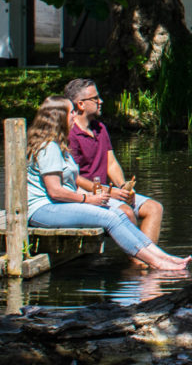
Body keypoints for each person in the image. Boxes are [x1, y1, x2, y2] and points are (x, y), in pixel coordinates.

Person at [24, 98, 188, 273]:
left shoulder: (60, 146)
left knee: (117, 213)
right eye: (71, 112)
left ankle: (162, 256)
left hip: (57, 205)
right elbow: (55, 191)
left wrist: (96, 197)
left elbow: (70, 186)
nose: (74, 115)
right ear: (58, 117)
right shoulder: (48, 147)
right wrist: (88, 199)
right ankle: (157, 263)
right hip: (42, 209)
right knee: (110, 218)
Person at [63, 76, 163, 245]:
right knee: (126, 213)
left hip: (107, 192)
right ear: (80, 104)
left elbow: (111, 163)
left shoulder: (100, 128)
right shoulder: (71, 134)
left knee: (154, 208)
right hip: (86, 195)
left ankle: (145, 261)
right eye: (95, 98)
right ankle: (141, 261)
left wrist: (123, 187)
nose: (100, 101)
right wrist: (108, 192)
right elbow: (75, 178)